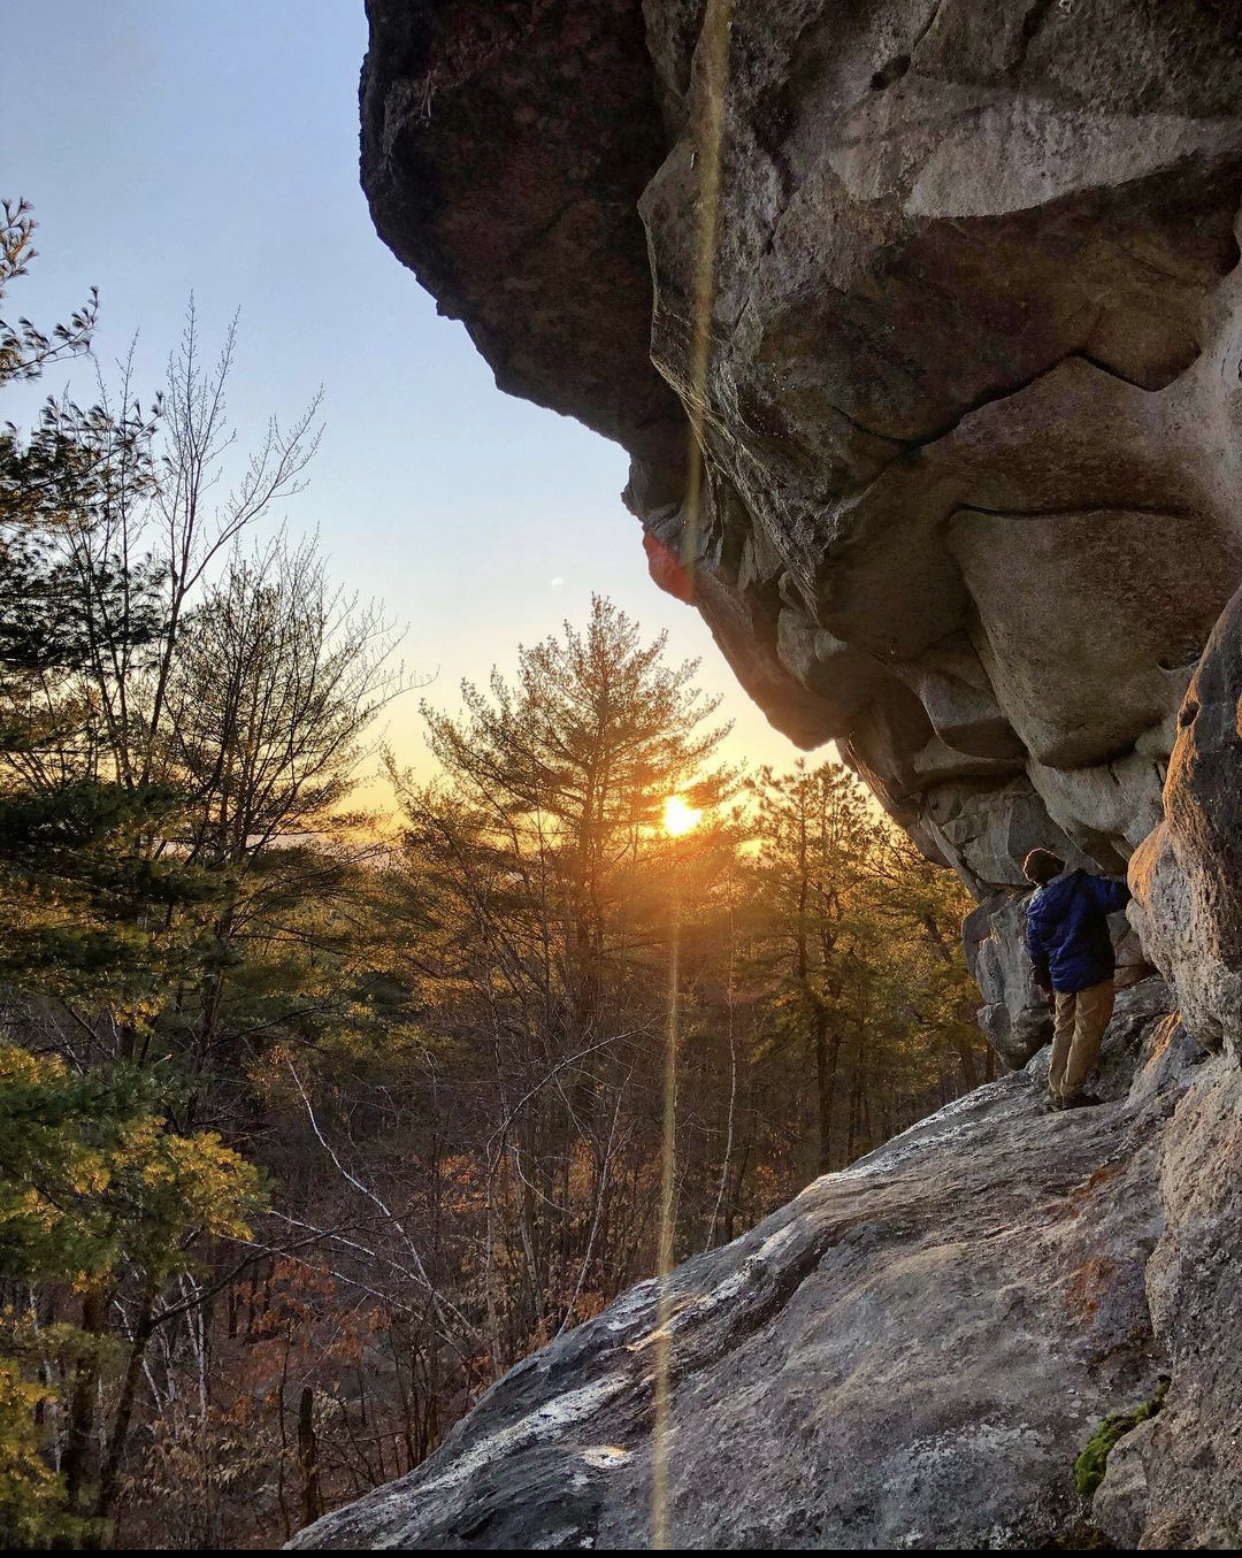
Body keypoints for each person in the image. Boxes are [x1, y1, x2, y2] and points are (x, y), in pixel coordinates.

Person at [1022, 849, 1131, 1109]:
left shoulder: (1036, 907)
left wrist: (1046, 980)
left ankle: (1056, 1092)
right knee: (1088, 1030)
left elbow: (1035, 950)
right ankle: (1071, 1092)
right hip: (1092, 969)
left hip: (1061, 979)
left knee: (1063, 1031)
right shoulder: (1080, 886)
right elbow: (1117, 895)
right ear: (1054, 865)